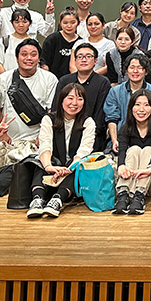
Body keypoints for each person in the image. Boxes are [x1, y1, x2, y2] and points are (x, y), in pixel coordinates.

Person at [26, 83, 96, 218]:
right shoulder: (49, 119)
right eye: (70, 98)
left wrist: (68, 169)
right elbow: (45, 146)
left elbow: (84, 150)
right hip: (53, 162)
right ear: (61, 100)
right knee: (39, 163)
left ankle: (57, 200)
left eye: (79, 99)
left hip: (73, 165)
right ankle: (37, 200)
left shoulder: (88, 122)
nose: (74, 103)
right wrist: (49, 166)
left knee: (80, 167)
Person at [113, 89, 151, 215]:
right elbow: (122, 150)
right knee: (134, 149)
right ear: (131, 108)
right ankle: (123, 194)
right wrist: (121, 166)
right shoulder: (125, 128)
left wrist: (150, 168)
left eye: (146, 105)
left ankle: (139, 195)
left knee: (148, 150)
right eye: (137, 104)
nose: (141, 109)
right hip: (133, 183)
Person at [0, 39, 59, 145]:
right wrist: (2, 134)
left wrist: (43, 135)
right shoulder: (3, 79)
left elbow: (51, 110)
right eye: (24, 54)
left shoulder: (50, 79)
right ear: (17, 58)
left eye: (33, 55)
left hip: (37, 140)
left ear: (39, 59)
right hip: (8, 140)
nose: (29, 58)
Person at [54, 43, 111, 151]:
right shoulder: (64, 81)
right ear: (75, 60)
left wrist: (88, 131)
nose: (84, 60)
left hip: (92, 135)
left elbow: (100, 116)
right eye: (80, 56)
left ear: (95, 61)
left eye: (88, 56)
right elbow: (56, 109)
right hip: (64, 133)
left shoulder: (103, 82)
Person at [104, 53, 151, 153]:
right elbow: (112, 118)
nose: (135, 71)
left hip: (147, 140)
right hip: (120, 138)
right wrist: (114, 140)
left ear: (146, 71)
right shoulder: (115, 91)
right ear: (126, 71)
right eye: (132, 67)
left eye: (140, 68)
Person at [40, 7, 81, 79]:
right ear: (60, 23)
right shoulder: (52, 39)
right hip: (53, 79)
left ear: (78, 23)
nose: (69, 26)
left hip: (73, 80)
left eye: (73, 22)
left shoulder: (80, 42)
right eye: (65, 23)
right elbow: (44, 63)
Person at [0, 9, 33, 75]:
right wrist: (6, 79)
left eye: (24, 22)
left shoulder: (33, 42)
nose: (21, 25)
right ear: (12, 23)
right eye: (17, 22)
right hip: (6, 79)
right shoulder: (4, 40)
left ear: (30, 23)